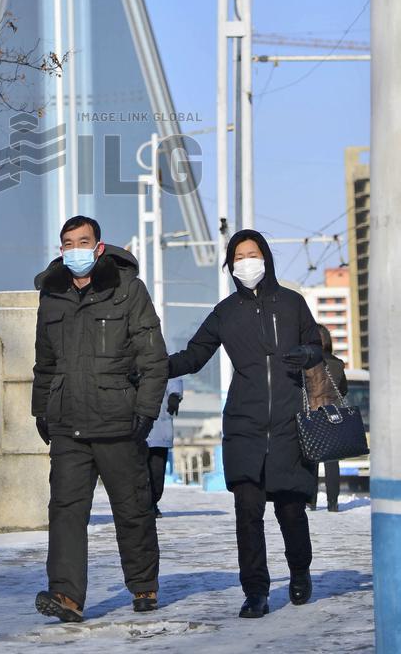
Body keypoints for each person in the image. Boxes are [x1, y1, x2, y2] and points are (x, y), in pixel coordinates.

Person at [168, 229, 323, 619]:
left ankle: (300, 570)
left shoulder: (292, 303)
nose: (246, 262)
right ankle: (255, 591)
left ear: (265, 258)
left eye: (252, 254)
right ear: (230, 265)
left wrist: (307, 353)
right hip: (244, 426)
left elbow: (316, 344)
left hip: (289, 424)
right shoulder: (226, 312)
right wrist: (153, 367)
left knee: (291, 510)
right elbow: (194, 356)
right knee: (247, 514)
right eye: (238, 257)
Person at [32, 215, 168, 623]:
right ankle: (66, 595)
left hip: (118, 420)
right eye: (68, 243)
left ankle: (143, 585)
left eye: (83, 241)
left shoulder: (128, 290)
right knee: (65, 511)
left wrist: (145, 410)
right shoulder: (52, 295)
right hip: (67, 422)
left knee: (132, 508)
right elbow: (45, 361)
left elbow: (153, 359)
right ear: (61, 249)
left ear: (99, 246)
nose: (75, 249)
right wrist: (41, 409)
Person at [308, 324, 348, 513]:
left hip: (312, 413)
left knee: (311, 457)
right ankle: (333, 503)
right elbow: (343, 390)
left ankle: (311, 501)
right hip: (333, 414)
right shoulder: (337, 364)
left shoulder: (308, 362)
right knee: (332, 461)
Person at [147, 378, 183, 517]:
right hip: (133, 431)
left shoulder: (163, 364)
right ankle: (143, 505)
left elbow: (174, 377)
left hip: (159, 429)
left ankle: (153, 502)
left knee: (156, 473)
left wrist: (175, 395)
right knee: (137, 472)